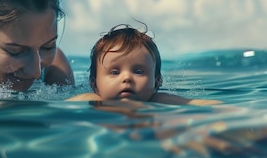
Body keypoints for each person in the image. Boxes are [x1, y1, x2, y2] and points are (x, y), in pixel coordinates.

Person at [66, 24, 221, 105]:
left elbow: (202, 104)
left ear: (157, 81)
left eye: (139, 72)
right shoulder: (91, 99)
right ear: (94, 83)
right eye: (114, 72)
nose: (127, 78)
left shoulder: (157, 100)